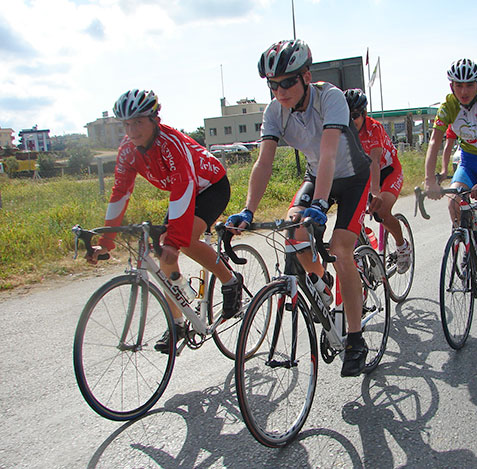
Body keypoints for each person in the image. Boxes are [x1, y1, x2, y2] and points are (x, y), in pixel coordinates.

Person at [226, 39, 372, 377]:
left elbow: (329, 153)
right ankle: (322, 282)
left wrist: (320, 203)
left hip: (352, 179)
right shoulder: (274, 111)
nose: (280, 92)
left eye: (287, 82)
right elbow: (263, 163)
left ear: (306, 76)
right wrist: (248, 210)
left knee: (340, 250)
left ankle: (355, 339)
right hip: (316, 176)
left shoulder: (329, 98)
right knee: (293, 232)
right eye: (272, 85)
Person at [86, 89, 242, 353]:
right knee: (164, 252)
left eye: (138, 122)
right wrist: (106, 242)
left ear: (154, 120)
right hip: (184, 191)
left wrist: (174, 240)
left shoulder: (170, 143)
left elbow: (184, 185)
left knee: (184, 241)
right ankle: (178, 323)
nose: (132, 131)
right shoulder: (127, 150)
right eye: (126, 124)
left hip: (211, 186)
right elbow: (120, 192)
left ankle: (230, 281)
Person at [424, 58, 477, 299]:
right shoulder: (448, 106)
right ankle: (467, 240)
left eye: (469, 85)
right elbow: (435, 141)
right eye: (458, 85)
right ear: (451, 86)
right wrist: (430, 179)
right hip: (469, 160)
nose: (464, 91)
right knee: (454, 201)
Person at [344, 88, 411, 273]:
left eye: (355, 116)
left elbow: (374, 160)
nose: (351, 121)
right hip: (364, 174)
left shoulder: (374, 128)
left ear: (364, 113)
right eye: (347, 116)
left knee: (380, 211)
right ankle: (363, 253)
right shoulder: (343, 130)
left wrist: (375, 192)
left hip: (388, 171)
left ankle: (402, 246)